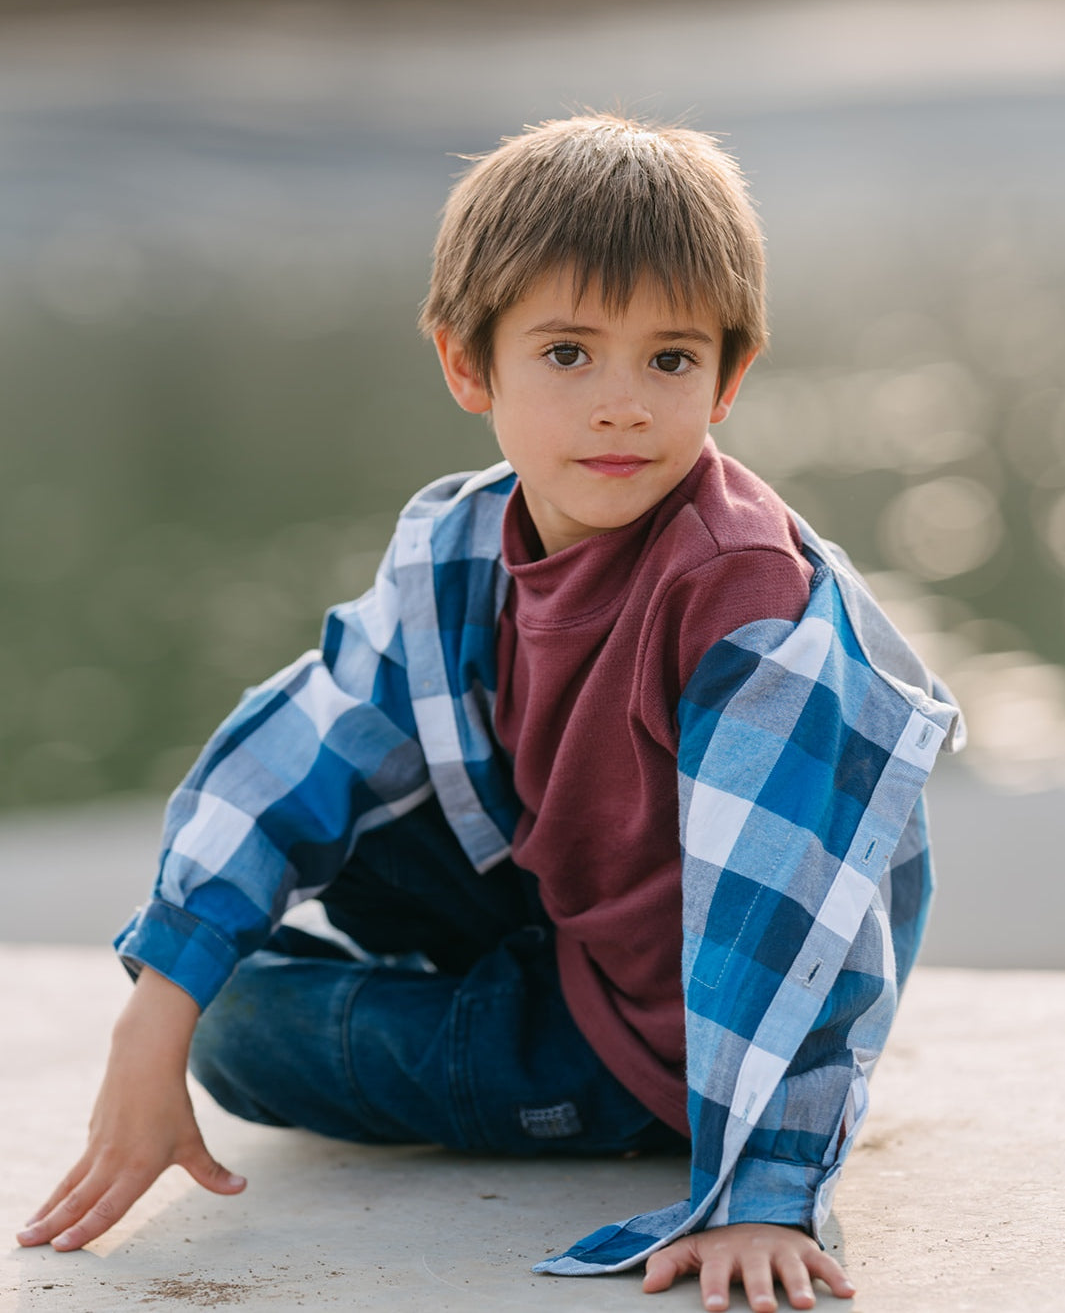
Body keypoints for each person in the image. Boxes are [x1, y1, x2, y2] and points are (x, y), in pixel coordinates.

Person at [18, 115, 962, 1312]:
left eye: (669, 360)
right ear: (471, 365)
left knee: (245, 1030)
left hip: (674, 1028)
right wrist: (150, 1010)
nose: (621, 405)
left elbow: (790, 906)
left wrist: (762, 1189)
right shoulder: (460, 543)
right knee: (274, 877)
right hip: (573, 912)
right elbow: (305, 739)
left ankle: (550, 1061)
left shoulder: (745, 602)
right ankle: (465, 989)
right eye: (569, 353)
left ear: (728, 378)